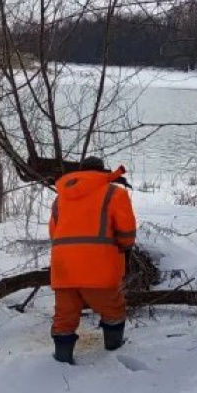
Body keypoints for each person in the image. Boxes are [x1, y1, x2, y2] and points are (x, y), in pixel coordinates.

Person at [48, 156, 136, 364]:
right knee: (113, 309)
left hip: (63, 267)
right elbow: (126, 231)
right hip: (99, 266)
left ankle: (62, 359)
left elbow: (53, 232)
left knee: (64, 316)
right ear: (102, 172)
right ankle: (113, 348)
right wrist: (124, 247)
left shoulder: (61, 197)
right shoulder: (115, 193)